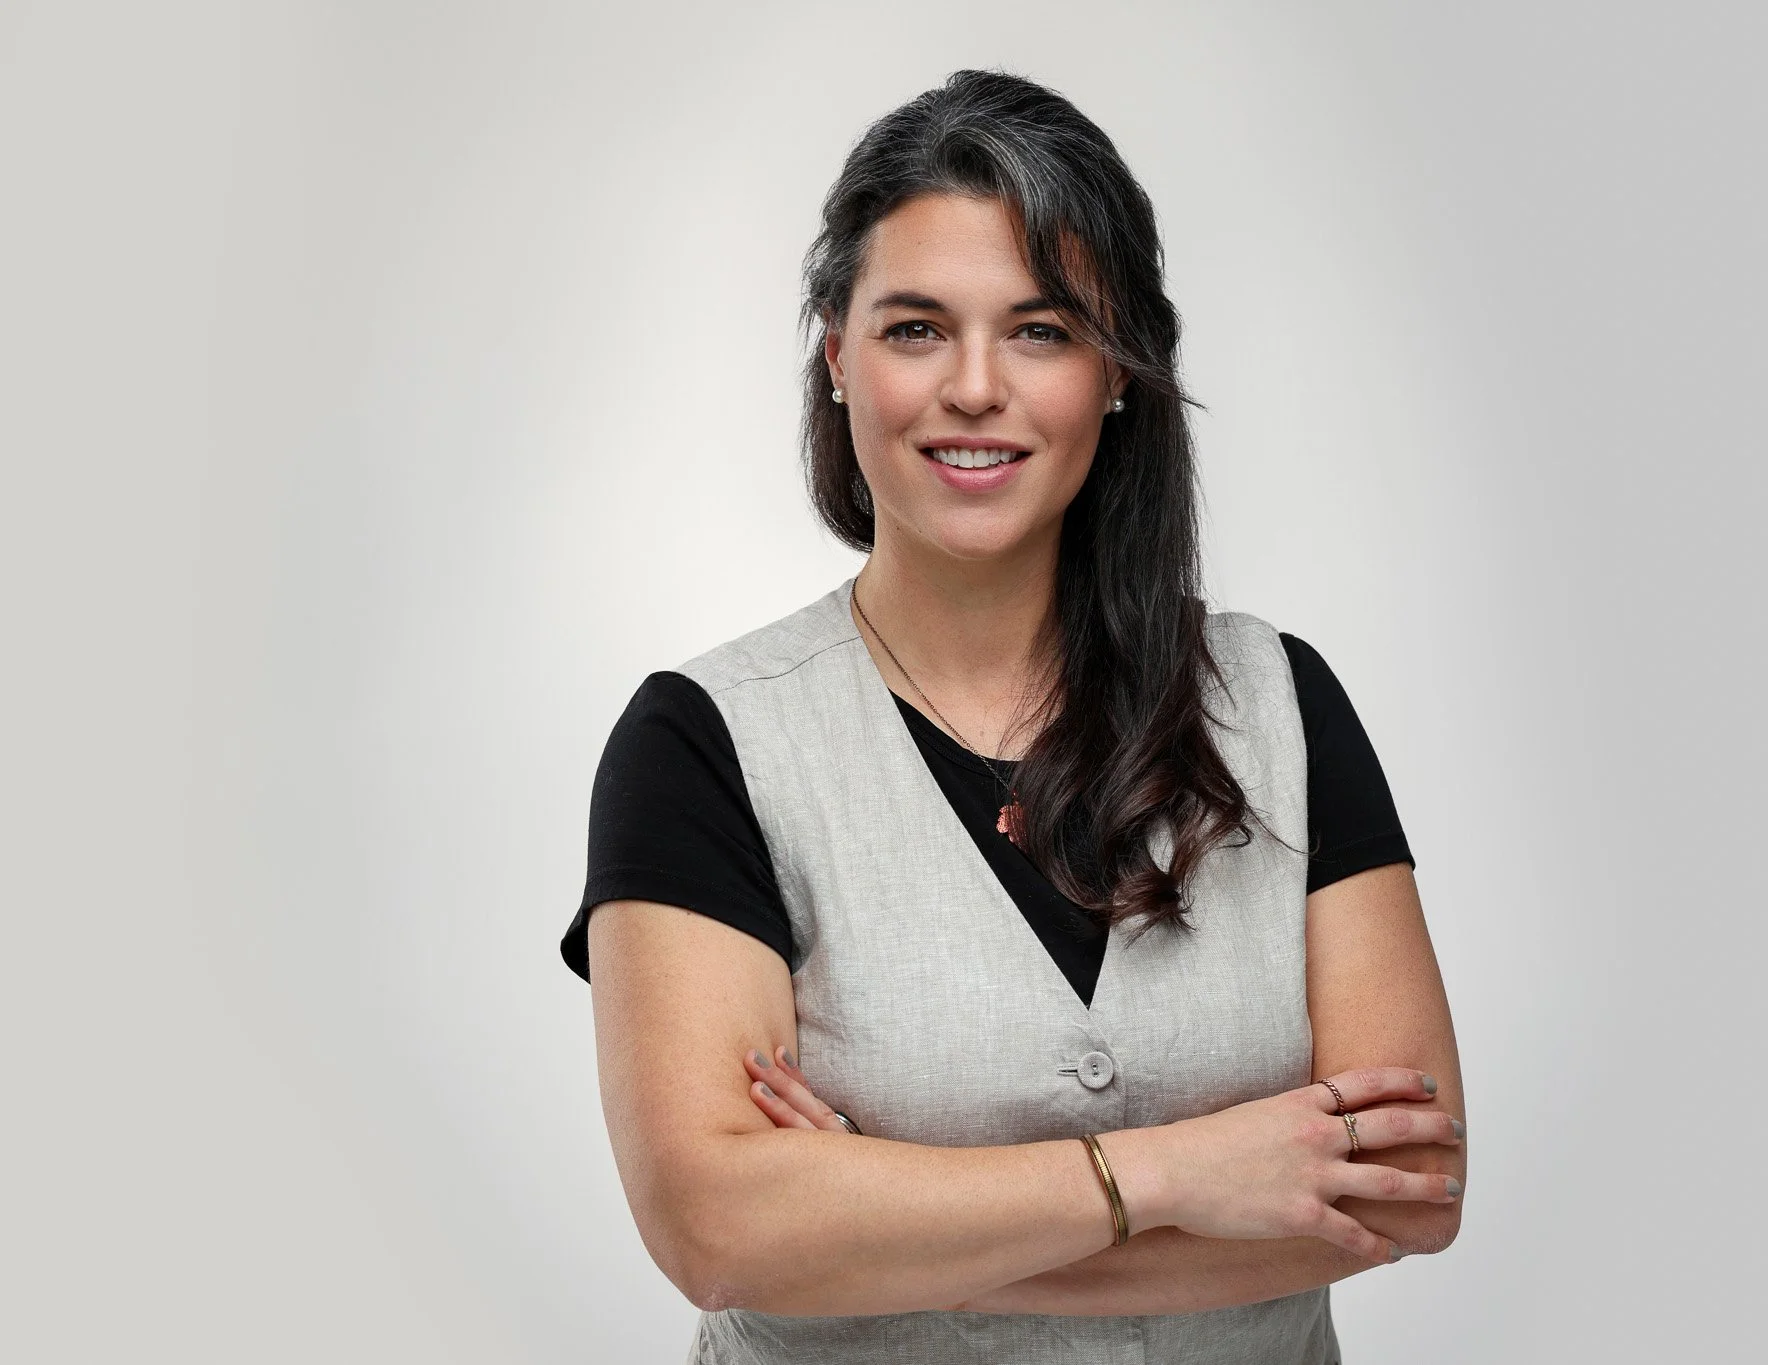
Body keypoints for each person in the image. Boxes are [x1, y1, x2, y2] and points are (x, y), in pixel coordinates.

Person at [561, 68, 1465, 1364]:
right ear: (837, 355)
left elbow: (1406, 1188)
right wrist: (1183, 1174)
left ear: (1116, 371)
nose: (974, 386)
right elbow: (714, 1229)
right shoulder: (704, 746)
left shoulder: (1282, 705)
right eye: (916, 327)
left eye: (1040, 329)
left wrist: (885, 1229)